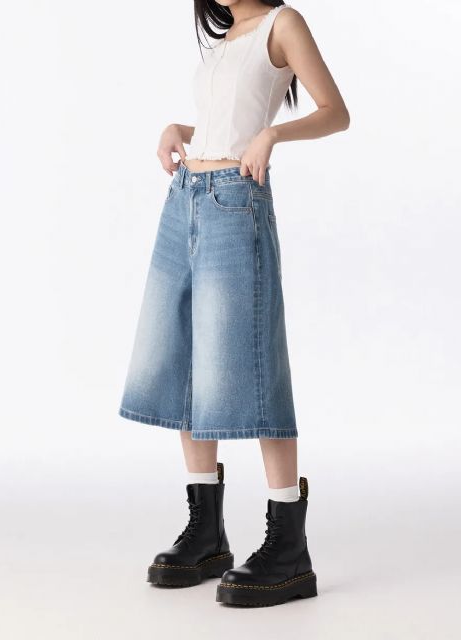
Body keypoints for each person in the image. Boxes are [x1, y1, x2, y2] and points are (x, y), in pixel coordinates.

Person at [118, 0, 349, 607]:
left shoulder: (282, 24)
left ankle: (289, 546)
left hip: (234, 203)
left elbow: (336, 112)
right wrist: (181, 129)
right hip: (184, 199)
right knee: (181, 359)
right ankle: (206, 533)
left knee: (254, 365)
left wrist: (273, 134)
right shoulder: (225, 39)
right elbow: (224, 120)